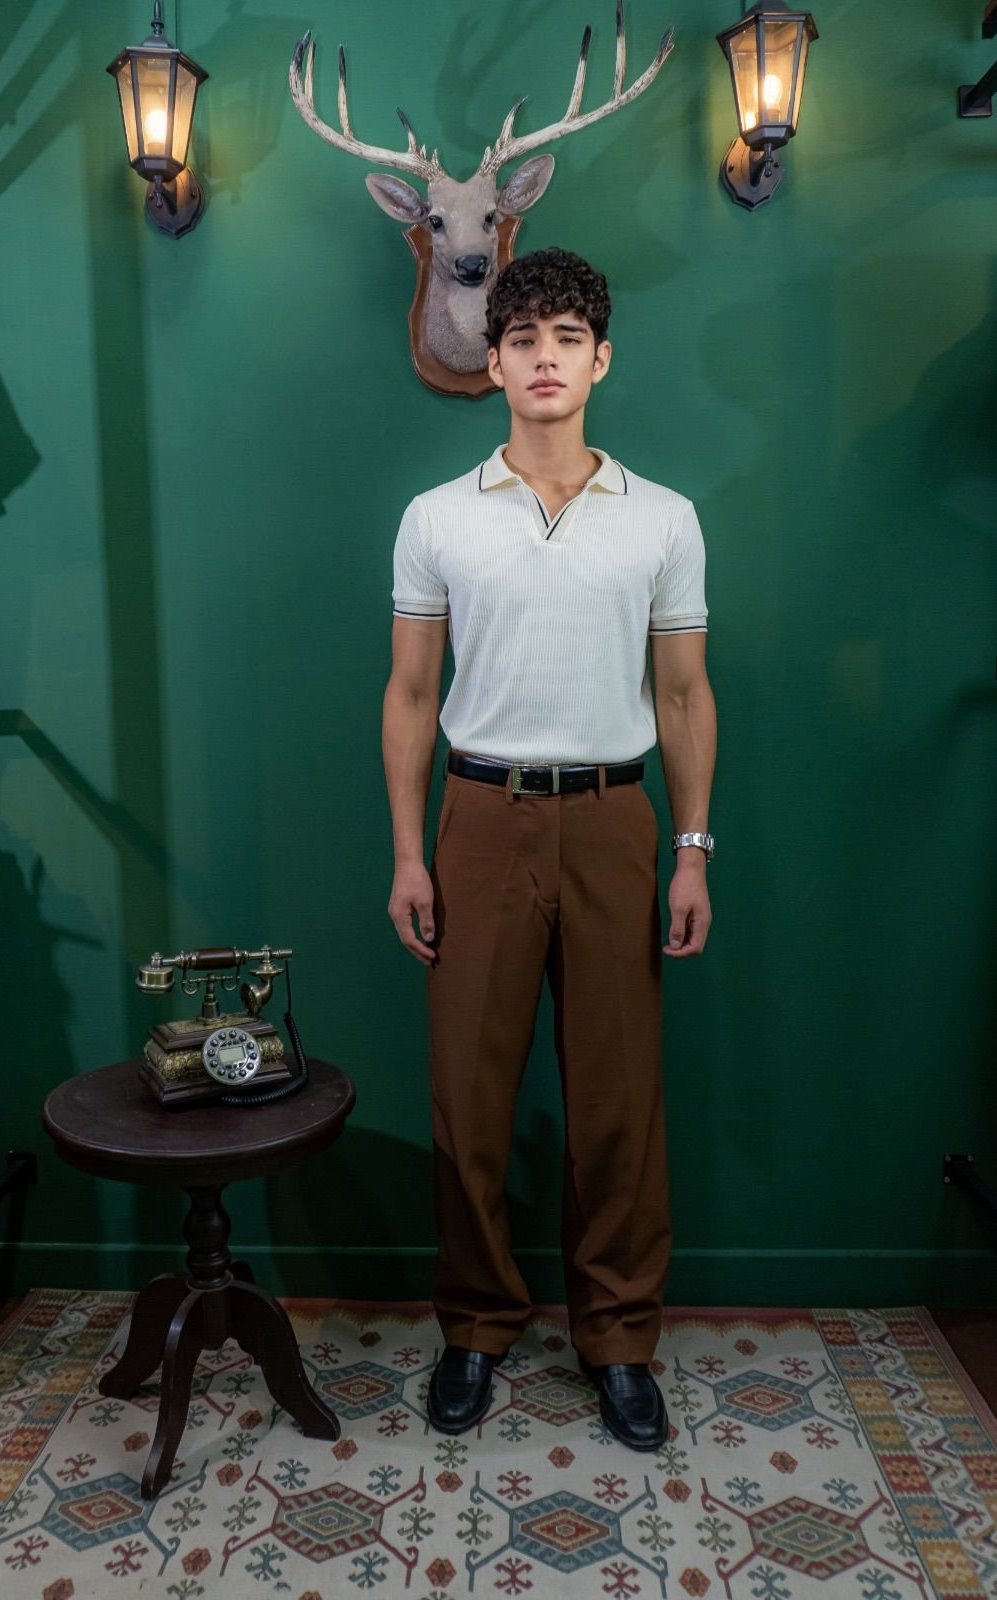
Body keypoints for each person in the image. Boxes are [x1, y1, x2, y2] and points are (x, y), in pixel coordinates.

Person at [381, 246, 716, 1451]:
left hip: (616, 820)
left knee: (617, 1097)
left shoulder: (663, 518)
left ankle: (617, 1337)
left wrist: (691, 848)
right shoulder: (437, 517)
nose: (543, 358)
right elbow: (410, 693)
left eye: (566, 338)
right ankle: (475, 1323)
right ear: (493, 361)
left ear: (600, 359)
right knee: (469, 1094)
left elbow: (683, 694)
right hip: (479, 817)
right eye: (522, 339)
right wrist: (409, 852)